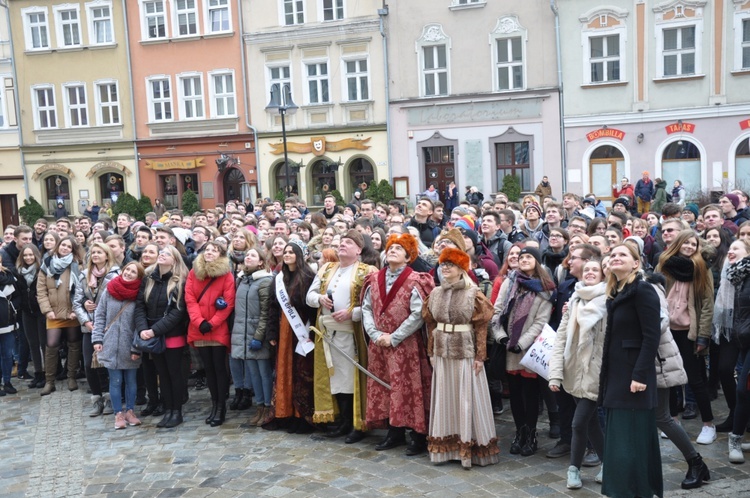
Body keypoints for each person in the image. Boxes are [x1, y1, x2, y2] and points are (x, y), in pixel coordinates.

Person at [421, 246, 497, 468]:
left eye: (450, 265)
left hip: (465, 350)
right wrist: (431, 351)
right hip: (442, 352)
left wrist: (480, 356)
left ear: (461, 268)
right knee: (445, 396)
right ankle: (447, 447)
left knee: (466, 396)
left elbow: (482, 327)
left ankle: (469, 447)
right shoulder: (435, 293)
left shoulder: (474, 294)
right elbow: (431, 324)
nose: (445, 268)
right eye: (443, 264)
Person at [361, 233, 435, 455]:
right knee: (385, 386)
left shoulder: (415, 280)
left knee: (409, 388)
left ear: (408, 255)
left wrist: (394, 337)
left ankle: (417, 436)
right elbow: (366, 308)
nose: (392, 250)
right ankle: (393, 432)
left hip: (405, 346)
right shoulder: (374, 279)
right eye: (390, 247)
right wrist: (374, 334)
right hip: (379, 345)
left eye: (399, 248)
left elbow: (418, 314)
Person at [599, 243, 662, 498]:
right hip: (616, 374)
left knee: (631, 440)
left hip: (634, 377)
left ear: (636, 263)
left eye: (623, 254)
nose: (615, 257)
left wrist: (639, 375)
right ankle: (621, 491)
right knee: (619, 440)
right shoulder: (616, 292)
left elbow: (651, 337)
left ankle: (636, 491)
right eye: (612, 254)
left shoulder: (643, 290)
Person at [307, 230, 376, 442]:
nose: (342, 245)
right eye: (341, 242)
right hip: (328, 334)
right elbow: (308, 296)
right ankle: (343, 421)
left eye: (348, 243)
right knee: (335, 379)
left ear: (359, 249)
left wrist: (351, 313)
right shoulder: (327, 268)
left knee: (351, 378)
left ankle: (358, 424)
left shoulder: (367, 270)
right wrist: (320, 299)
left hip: (351, 334)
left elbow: (372, 305)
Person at [548, 258, 606, 489]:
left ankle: (574, 469)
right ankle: (607, 463)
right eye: (587, 269)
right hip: (573, 370)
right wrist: (555, 374)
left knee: (578, 422)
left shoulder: (609, 300)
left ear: (603, 274)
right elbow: (561, 337)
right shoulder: (574, 300)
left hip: (596, 370)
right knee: (591, 424)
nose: (591, 272)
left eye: (596, 269)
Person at [492, 247, 555, 456]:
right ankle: (520, 432)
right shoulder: (510, 282)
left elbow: (541, 321)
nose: (524, 260)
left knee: (530, 394)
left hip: (529, 349)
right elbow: (498, 310)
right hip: (508, 346)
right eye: (521, 257)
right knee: (516, 394)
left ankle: (531, 434)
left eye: (529, 257)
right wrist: (500, 336)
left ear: (537, 262)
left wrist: (522, 342)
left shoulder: (545, 287)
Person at [656, 230, 716, 445]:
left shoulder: (701, 268)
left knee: (695, 378)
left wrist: (703, 336)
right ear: (679, 244)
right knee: (670, 378)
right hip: (666, 329)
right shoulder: (664, 264)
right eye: (686, 243)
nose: (690, 247)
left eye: (694, 244)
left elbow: (708, 304)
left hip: (689, 331)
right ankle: (672, 420)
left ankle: (708, 424)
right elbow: (655, 293)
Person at [134, 245, 188, 428]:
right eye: (161, 253)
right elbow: (140, 306)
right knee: (162, 374)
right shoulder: (149, 278)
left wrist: (154, 330)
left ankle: (177, 411)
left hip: (171, 334)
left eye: (167, 253)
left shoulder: (179, 281)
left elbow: (177, 312)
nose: (162, 255)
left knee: (174, 373)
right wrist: (142, 328)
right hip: (151, 334)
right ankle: (168, 410)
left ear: (174, 259)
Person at [266, 240, 317, 432]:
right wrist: (272, 332)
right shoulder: (279, 278)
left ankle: (302, 416)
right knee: (283, 371)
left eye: (291, 252)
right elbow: (272, 305)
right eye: (285, 252)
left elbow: (312, 308)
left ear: (300, 255)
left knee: (301, 373)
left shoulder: (308, 276)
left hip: (301, 331)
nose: (287, 255)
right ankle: (284, 412)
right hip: (283, 331)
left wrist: (311, 331)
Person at [185, 242, 236, 427]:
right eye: (207, 250)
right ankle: (214, 404)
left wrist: (212, 323)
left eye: (214, 250)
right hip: (199, 327)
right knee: (208, 369)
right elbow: (190, 299)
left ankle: (221, 406)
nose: (210, 253)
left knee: (219, 368)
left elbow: (229, 302)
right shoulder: (194, 272)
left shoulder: (226, 275)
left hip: (217, 328)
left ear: (221, 255)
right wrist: (199, 322)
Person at [92, 262, 145, 430]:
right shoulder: (110, 289)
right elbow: (100, 316)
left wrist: (136, 347)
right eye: (127, 269)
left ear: (139, 276)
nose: (128, 273)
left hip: (130, 345)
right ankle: (118, 413)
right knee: (115, 381)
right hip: (110, 343)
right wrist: (97, 339)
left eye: (133, 272)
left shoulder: (139, 295)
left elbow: (140, 323)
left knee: (131, 380)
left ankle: (130, 411)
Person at [73, 242, 120, 416]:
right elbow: (76, 302)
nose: (95, 255)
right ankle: (96, 398)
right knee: (88, 364)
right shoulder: (84, 275)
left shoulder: (115, 275)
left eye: (99, 252)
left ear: (107, 255)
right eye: (93, 252)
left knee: (105, 363)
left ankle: (110, 398)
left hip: (108, 327)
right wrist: (86, 320)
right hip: (89, 327)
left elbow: (117, 302)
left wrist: (102, 322)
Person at [37, 236, 84, 396]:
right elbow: (41, 291)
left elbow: (81, 290)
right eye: (63, 245)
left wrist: (75, 311)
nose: (65, 248)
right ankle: (49, 381)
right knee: (51, 344)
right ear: (58, 246)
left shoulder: (77, 265)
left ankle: (72, 377)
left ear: (73, 250)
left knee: (73, 343)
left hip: (72, 313)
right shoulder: (46, 264)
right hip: (53, 313)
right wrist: (47, 310)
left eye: (69, 247)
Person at [232, 247, 274, 425]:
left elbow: (265, 312)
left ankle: (267, 407)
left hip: (258, 335)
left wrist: (258, 336)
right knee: (253, 373)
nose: (248, 257)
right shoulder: (242, 280)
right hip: (243, 334)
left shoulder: (265, 281)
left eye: (253, 255)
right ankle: (259, 407)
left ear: (261, 262)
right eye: (247, 255)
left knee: (264, 373)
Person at [726, 239, 750, 463]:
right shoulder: (735, 276)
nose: (731, 252)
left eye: (736, 249)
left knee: (743, 390)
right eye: (730, 248)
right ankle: (736, 437)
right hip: (743, 339)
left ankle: (735, 438)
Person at [16, 244, 46, 389]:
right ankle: (38, 373)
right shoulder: (19, 272)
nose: (28, 258)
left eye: (30, 255)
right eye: (25, 255)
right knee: (32, 343)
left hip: (41, 311)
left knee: (44, 344)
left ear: (36, 255)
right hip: (26, 312)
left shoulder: (42, 270)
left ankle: (47, 374)